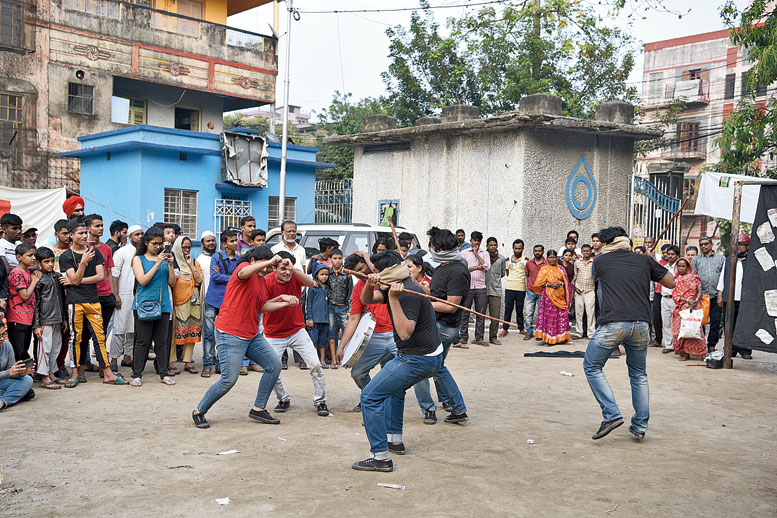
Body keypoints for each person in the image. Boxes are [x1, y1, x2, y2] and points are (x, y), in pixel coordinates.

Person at [353, 250, 444, 473]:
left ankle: (381, 457)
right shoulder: (395, 285)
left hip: (418, 359)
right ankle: (394, 440)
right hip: (422, 355)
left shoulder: (407, 292)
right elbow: (367, 300)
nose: (374, 274)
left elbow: (404, 333)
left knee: (370, 397)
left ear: (388, 272)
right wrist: (369, 284)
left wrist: (393, 298)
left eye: (376, 272)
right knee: (394, 390)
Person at [583, 226, 674, 441]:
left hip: (613, 323)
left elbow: (603, 275)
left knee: (592, 366)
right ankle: (640, 426)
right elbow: (671, 282)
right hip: (641, 325)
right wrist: (652, 262)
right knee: (639, 374)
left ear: (608, 243)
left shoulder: (600, 261)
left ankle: (611, 414)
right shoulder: (645, 260)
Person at [192, 247, 293, 428]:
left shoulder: (261, 281)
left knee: (274, 365)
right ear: (253, 260)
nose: (266, 269)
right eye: (263, 264)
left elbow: (261, 307)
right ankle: (199, 411)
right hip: (230, 333)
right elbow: (245, 272)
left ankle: (258, 409)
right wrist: (271, 262)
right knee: (228, 380)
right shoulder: (243, 267)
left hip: (251, 334)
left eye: (268, 266)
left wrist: (283, 301)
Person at [412, 227, 469, 425]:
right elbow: (437, 296)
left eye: (433, 246)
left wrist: (424, 304)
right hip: (436, 324)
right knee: (437, 367)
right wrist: (419, 288)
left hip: (443, 327)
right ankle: (455, 407)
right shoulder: (442, 268)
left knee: (430, 367)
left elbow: (451, 306)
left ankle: (454, 407)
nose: (431, 250)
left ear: (440, 249)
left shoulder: (457, 271)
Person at [264, 252, 329, 416]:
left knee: (315, 365)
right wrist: (282, 299)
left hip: (297, 330)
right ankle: (283, 398)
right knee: (272, 370)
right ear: (274, 268)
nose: (287, 273)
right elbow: (262, 305)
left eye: (289, 269)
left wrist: (294, 269)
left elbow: (311, 283)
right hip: (273, 334)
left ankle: (320, 401)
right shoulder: (267, 281)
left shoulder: (295, 275)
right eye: (282, 269)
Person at [60, 220, 120, 386]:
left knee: (100, 337)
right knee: (76, 338)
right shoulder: (66, 256)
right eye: (80, 233)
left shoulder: (95, 252)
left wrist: (75, 281)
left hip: (93, 300)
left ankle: (107, 372)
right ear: (71, 235)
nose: (84, 236)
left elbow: (100, 276)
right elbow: (74, 278)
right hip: (75, 302)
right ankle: (75, 373)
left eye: (85, 233)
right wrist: (83, 263)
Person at [337, 252, 397, 405]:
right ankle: (372, 396)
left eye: (361, 268)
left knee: (413, 368)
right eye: (356, 273)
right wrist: (342, 346)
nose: (361, 274)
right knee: (357, 373)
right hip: (375, 336)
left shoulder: (386, 277)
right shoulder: (358, 287)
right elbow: (354, 319)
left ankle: (428, 408)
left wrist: (365, 255)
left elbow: (379, 273)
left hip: (396, 334)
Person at [130, 227, 176, 386]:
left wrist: (170, 265)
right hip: (144, 305)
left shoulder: (164, 259)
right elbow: (142, 280)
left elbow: (172, 283)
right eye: (154, 244)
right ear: (146, 243)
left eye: (160, 244)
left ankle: (164, 374)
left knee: (162, 342)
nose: (157, 247)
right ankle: (137, 374)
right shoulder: (138, 259)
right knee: (142, 341)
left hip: (163, 305)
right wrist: (157, 263)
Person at [201, 230, 239, 378]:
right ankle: (207, 365)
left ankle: (220, 364)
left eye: (236, 240)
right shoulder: (216, 257)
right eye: (232, 241)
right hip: (212, 299)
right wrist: (232, 277)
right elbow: (215, 276)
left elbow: (240, 278)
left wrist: (226, 276)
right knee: (208, 334)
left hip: (229, 301)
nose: (235, 243)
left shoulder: (238, 259)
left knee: (225, 336)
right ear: (224, 243)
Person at [83, 214, 117, 362]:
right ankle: (84, 363)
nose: (101, 228)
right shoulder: (82, 248)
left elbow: (109, 272)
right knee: (85, 333)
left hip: (106, 295)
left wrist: (112, 293)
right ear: (88, 228)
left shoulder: (106, 248)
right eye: (97, 226)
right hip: (88, 295)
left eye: (102, 225)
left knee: (102, 331)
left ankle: (102, 363)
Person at [32, 247, 67, 389]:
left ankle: (52, 373)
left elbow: (62, 299)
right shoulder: (39, 278)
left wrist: (64, 318)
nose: (50, 264)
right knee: (44, 349)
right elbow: (36, 303)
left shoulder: (57, 276)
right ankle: (44, 377)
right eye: (46, 262)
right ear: (39, 263)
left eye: (52, 261)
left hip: (57, 318)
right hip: (45, 319)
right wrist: (36, 325)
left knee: (55, 347)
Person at [110, 225, 143, 373]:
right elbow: (114, 275)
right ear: (130, 237)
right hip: (123, 295)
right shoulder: (121, 252)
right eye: (137, 234)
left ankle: (128, 357)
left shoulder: (143, 253)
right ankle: (113, 359)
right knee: (119, 328)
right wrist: (116, 294)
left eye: (142, 234)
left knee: (133, 329)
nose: (140, 237)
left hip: (139, 296)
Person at [170, 236, 204, 374]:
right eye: (184, 247)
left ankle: (188, 362)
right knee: (174, 333)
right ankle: (171, 361)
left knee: (192, 331)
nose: (187, 250)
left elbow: (200, 280)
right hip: (178, 303)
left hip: (194, 303)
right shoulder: (173, 262)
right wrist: (192, 283)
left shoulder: (194, 262)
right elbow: (172, 281)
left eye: (189, 247)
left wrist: (191, 265)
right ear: (178, 248)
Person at [718, 234, 751, 359]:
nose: (739, 247)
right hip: (729, 298)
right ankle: (730, 348)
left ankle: (745, 349)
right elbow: (722, 277)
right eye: (737, 245)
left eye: (741, 245)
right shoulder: (728, 260)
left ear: (747, 246)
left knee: (744, 325)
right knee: (728, 324)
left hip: (745, 299)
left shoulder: (751, 262)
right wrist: (720, 294)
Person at [692, 236, 725, 353]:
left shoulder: (721, 259)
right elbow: (694, 278)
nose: (703, 246)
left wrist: (721, 294)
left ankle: (711, 344)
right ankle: (700, 344)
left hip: (716, 295)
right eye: (701, 244)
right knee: (700, 322)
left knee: (715, 321)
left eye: (706, 244)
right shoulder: (696, 260)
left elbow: (723, 277)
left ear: (711, 244)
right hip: (701, 296)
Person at [7, 243, 39, 360]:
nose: (33, 258)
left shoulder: (28, 273)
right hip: (17, 318)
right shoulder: (17, 272)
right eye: (29, 255)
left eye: (34, 255)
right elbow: (25, 295)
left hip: (27, 318)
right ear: (19, 257)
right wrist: (34, 281)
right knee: (18, 352)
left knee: (24, 350)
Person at [457, 231, 490, 347]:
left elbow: (486, 266)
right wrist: (477, 267)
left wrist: (477, 255)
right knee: (465, 313)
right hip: (468, 286)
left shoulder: (484, 253)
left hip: (481, 287)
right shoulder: (464, 253)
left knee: (480, 314)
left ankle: (479, 338)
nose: (476, 243)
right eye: (474, 240)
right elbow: (462, 269)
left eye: (478, 241)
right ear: (471, 240)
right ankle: (463, 337)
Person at [533, 250, 572, 345]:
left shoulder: (561, 269)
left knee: (563, 316)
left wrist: (560, 284)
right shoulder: (544, 269)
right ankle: (549, 339)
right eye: (550, 258)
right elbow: (538, 284)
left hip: (560, 296)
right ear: (547, 258)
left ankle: (562, 338)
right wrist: (549, 285)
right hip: (548, 297)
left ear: (557, 258)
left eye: (554, 257)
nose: (552, 259)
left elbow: (566, 282)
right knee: (550, 317)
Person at [671, 258, 706, 360]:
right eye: (679, 266)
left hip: (693, 307)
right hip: (681, 308)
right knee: (681, 330)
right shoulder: (675, 280)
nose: (681, 268)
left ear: (688, 267)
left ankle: (701, 352)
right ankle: (685, 353)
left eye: (683, 266)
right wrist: (686, 300)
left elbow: (699, 291)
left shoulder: (694, 278)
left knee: (695, 329)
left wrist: (695, 300)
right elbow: (675, 294)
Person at [0, 320, 35, 412]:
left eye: (3, 334)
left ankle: (3, 402)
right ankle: (15, 394)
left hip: (2, 382)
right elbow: (8, 372)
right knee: (27, 392)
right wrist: (9, 372)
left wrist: (21, 373)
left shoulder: (6, 345)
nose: (2, 338)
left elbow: (10, 371)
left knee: (27, 380)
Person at [326, 248, 352, 357]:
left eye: (339, 258)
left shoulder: (346, 274)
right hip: (331, 306)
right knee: (332, 333)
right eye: (335, 258)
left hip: (343, 307)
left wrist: (349, 310)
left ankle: (345, 356)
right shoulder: (328, 273)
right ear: (330, 260)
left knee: (346, 332)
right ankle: (334, 357)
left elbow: (350, 293)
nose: (337, 261)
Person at [306, 263, 331, 367]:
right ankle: (314, 361)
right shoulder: (313, 288)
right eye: (322, 274)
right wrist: (309, 318)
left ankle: (322, 360)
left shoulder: (329, 288)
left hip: (325, 320)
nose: (324, 276)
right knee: (313, 341)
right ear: (316, 275)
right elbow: (309, 304)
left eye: (326, 274)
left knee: (323, 342)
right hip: (315, 320)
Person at [500, 239, 527, 337]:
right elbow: (507, 273)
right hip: (510, 288)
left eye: (519, 248)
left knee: (519, 310)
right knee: (508, 309)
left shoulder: (526, 261)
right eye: (516, 248)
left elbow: (526, 275)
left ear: (522, 249)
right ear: (513, 248)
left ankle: (521, 328)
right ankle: (505, 329)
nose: (517, 250)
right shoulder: (507, 260)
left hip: (521, 289)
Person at [523, 245, 547, 341]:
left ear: (543, 252)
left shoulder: (547, 264)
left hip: (542, 292)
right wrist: (526, 287)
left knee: (542, 313)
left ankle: (540, 333)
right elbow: (526, 275)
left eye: (539, 251)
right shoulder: (529, 263)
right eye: (535, 251)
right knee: (528, 313)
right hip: (531, 291)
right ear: (533, 252)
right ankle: (529, 332)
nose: (537, 253)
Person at [486, 237, 506, 345]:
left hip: (495, 291)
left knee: (495, 317)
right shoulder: (483, 257)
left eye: (494, 245)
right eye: (491, 245)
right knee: (480, 315)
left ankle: (493, 337)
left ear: (497, 246)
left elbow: (502, 273)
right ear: (487, 246)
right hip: (483, 290)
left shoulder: (501, 259)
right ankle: (479, 337)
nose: (493, 247)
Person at [573, 244, 596, 339]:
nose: (586, 252)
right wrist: (575, 287)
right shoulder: (577, 262)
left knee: (590, 313)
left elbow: (596, 276)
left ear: (590, 252)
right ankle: (579, 333)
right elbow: (575, 276)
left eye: (588, 251)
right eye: (584, 251)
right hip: (579, 290)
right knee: (579, 313)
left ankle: (591, 334)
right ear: (581, 252)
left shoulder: (594, 263)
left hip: (590, 290)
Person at [660, 245, 680, 354]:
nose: (670, 256)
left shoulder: (680, 267)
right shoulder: (664, 267)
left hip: (675, 299)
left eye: (673, 254)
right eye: (669, 254)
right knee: (666, 323)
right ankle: (669, 345)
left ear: (677, 255)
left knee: (677, 323)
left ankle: (678, 345)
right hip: (664, 298)